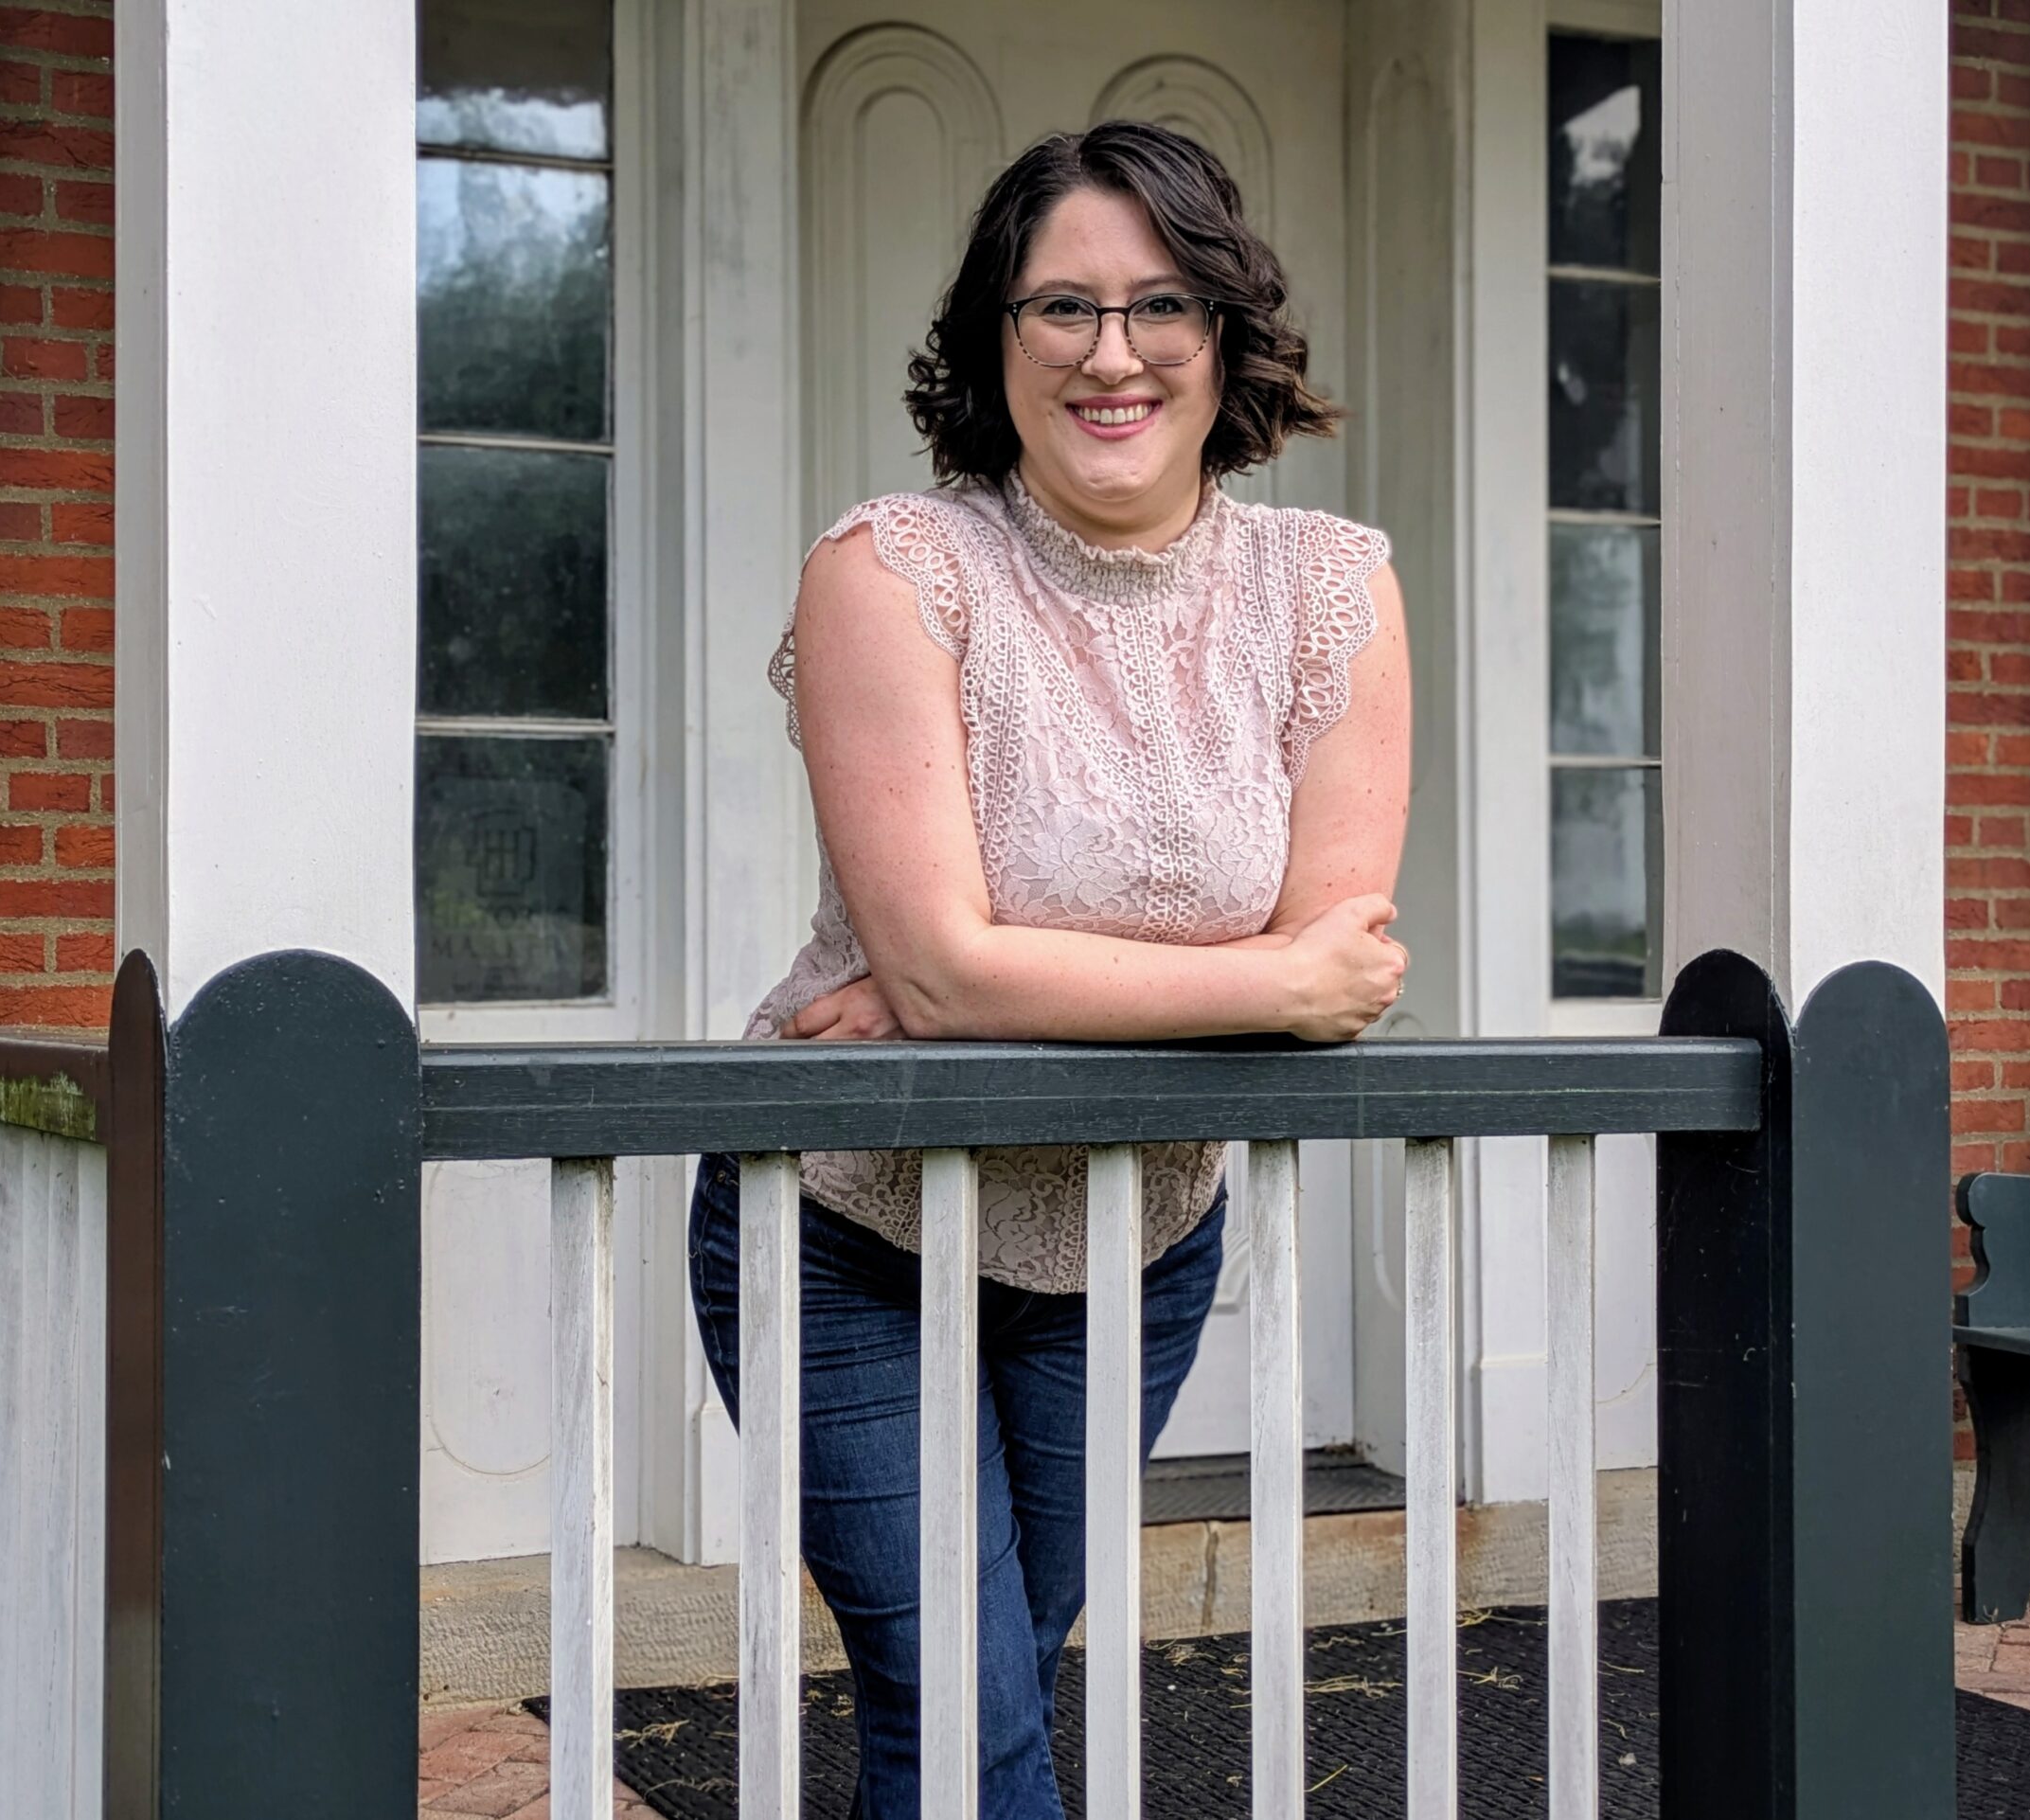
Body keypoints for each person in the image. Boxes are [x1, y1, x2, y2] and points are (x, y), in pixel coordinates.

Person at [688, 119, 1412, 1819]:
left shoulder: (1331, 590)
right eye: (1059, 307)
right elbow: (964, 977)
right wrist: (992, 977)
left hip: (1134, 1235)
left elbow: (1337, 959)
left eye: (1160, 303)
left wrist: (998, 969)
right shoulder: (893, 570)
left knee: (973, 1693)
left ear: (1223, 333)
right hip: (847, 1218)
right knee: (968, 1718)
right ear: (994, 338)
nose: (1111, 352)